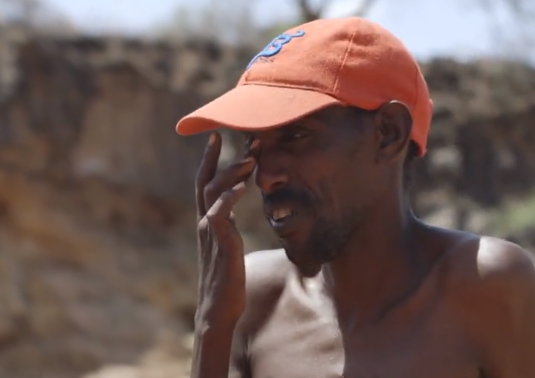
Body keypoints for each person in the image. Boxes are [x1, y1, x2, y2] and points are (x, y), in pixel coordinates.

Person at [175, 17, 535, 378]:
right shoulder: (253, 301)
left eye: (296, 136)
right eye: (253, 144)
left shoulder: (484, 288)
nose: (266, 176)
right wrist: (211, 323)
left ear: (388, 134)